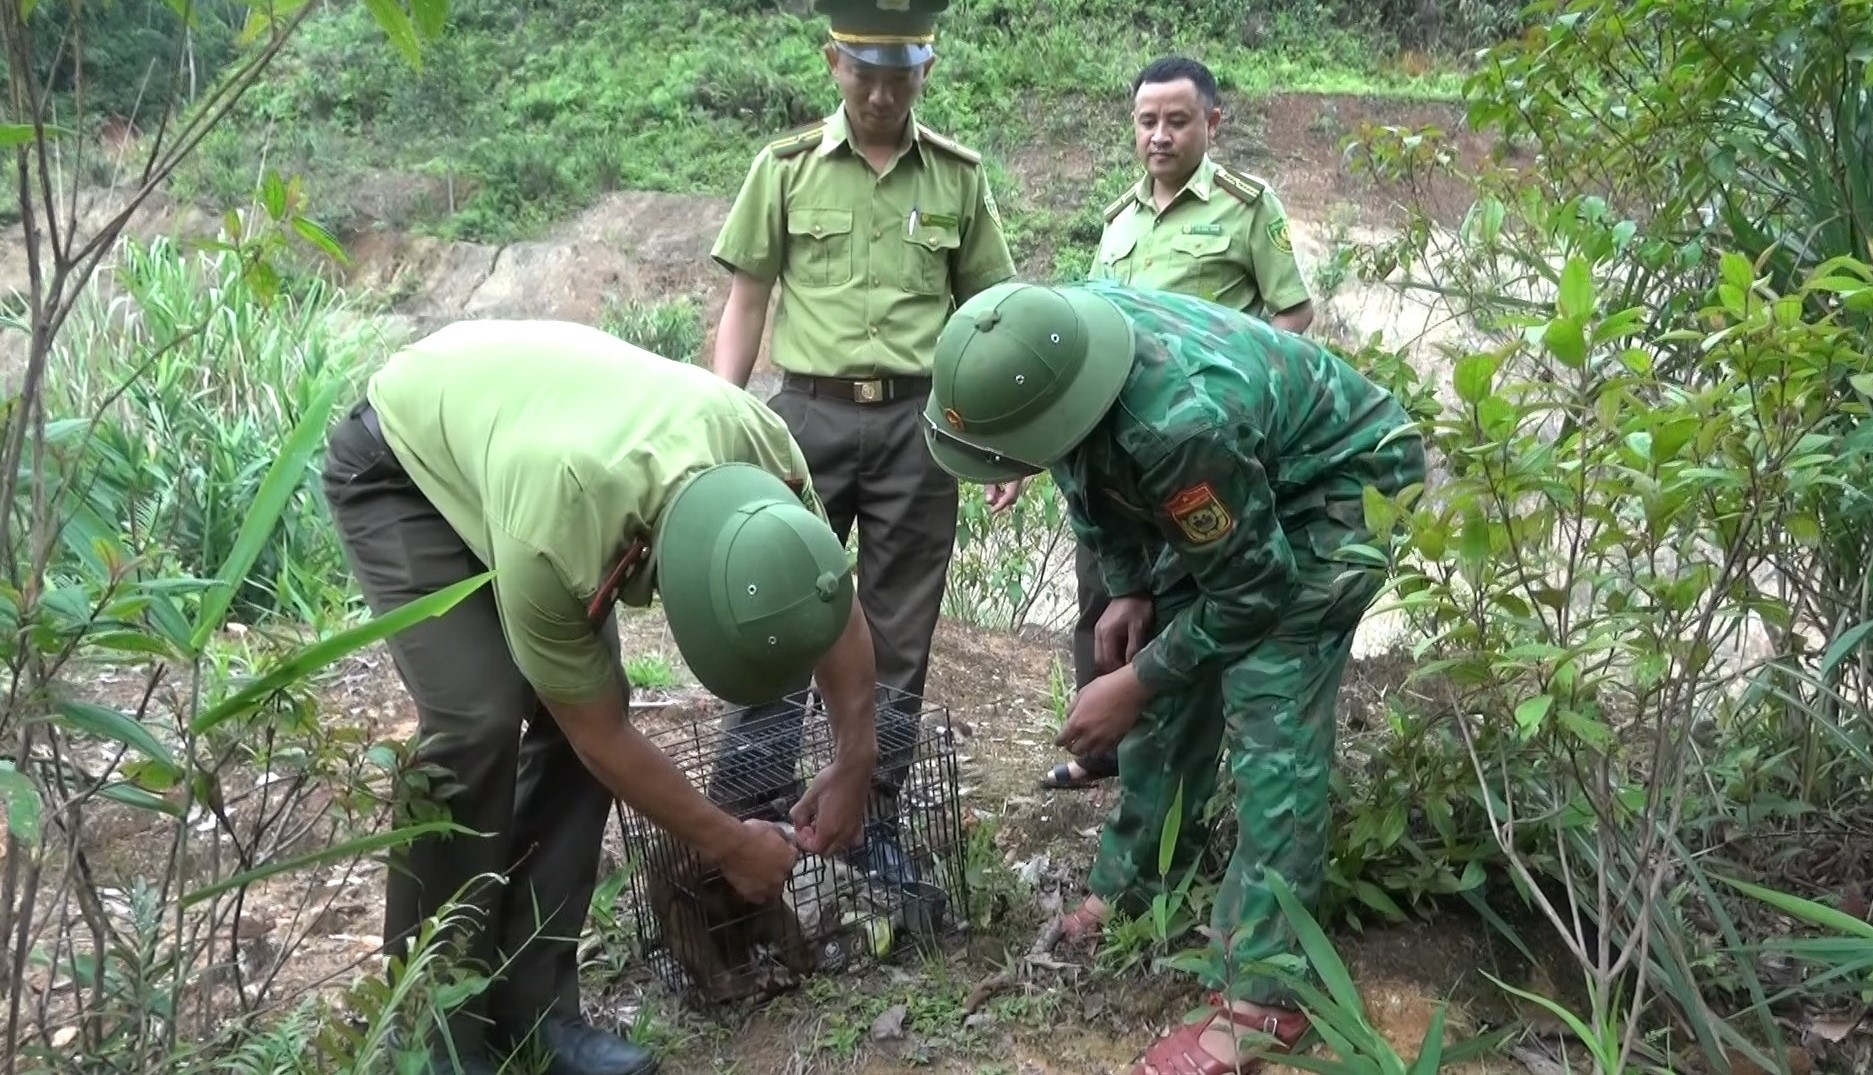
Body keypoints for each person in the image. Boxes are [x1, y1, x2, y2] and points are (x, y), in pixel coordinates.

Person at [320, 319, 881, 1075]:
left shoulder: (767, 462)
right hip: (404, 465)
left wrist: (855, 755)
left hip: (522, 425)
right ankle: (428, 1030)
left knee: (568, 713)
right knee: (478, 722)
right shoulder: (560, 522)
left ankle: (533, 1012)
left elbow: (827, 596)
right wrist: (727, 842)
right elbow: (599, 732)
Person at [922, 280, 1425, 1075]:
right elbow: (1081, 467)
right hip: (1244, 479)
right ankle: (1141, 875)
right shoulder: (1048, 349)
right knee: (1164, 650)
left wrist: (1135, 682)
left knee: (1271, 700)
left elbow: (1255, 588)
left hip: (1340, 481)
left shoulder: (1178, 424)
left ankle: (1264, 996)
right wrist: (1128, 585)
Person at [706, 0, 1017, 880]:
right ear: (833, 65)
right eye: (866, 75)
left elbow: (988, 314)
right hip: (803, 417)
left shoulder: (957, 176)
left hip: (919, 427)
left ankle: (871, 813)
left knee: (896, 629)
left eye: (900, 77)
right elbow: (748, 301)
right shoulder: (785, 168)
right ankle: (753, 802)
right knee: (772, 602)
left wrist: (997, 438)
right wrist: (714, 419)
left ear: (926, 71)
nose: (881, 96)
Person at [1042, 54, 1318, 793]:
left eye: (1176, 120)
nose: (1158, 136)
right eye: (1146, 122)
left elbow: (1291, 312)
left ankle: (1173, 756)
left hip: (1199, 448)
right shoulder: (1117, 221)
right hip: (1118, 447)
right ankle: (1099, 746)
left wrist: (1246, 401)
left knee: (1197, 595)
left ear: (1211, 123)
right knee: (1103, 592)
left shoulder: (1245, 206)